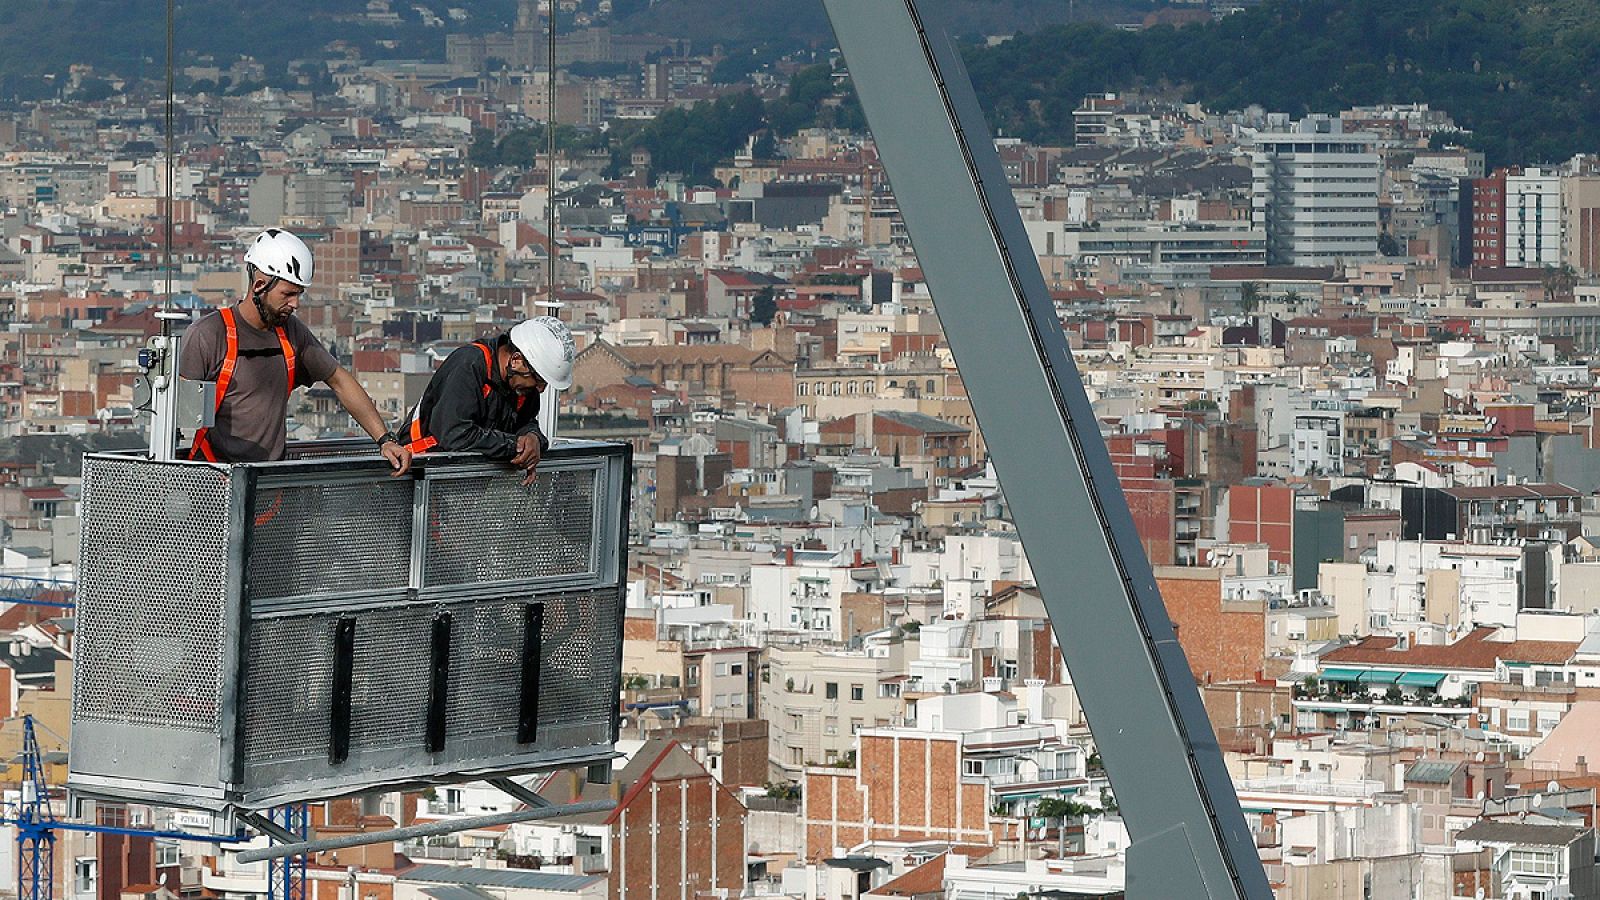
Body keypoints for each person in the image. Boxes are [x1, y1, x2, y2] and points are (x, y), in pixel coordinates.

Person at [180, 228, 412, 474]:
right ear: (260, 285)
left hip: (268, 484)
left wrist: (385, 439)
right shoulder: (208, 335)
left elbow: (339, 380)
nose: (295, 304)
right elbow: (177, 413)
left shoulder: (291, 334)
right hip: (213, 482)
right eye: (288, 294)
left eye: (299, 294)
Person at [399, 315, 574, 485]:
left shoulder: (522, 385)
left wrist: (534, 439)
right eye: (539, 380)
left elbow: (525, 423)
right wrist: (516, 446)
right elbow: (455, 435)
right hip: (418, 474)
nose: (540, 389)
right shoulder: (469, 366)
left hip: (456, 482)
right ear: (516, 360)